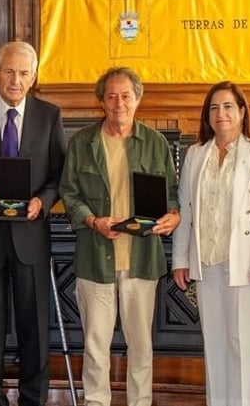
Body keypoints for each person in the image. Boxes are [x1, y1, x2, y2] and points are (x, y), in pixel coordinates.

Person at [58, 66, 180, 406]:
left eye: (126, 96)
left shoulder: (155, 143)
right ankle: (96, 401)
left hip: (141, 260)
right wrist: (93, 220)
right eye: (111, 96)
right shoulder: (83, 142)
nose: (119, 103)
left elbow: (172, 194)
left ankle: (140, 401)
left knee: (140, 345)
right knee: (95, 344)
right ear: (101, 101)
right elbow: (69, 193)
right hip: (95, 258)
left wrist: (174, 215)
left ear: (138, 99)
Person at [0, 41, 65, 406]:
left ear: (33, 77)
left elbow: (59, 174)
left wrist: (43, 201)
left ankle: (33, 397)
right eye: (9, 71)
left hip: (30, 235)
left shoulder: (49, 115)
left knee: (34, 325)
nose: (15, 80)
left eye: (23, 73)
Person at [171, 81, 250, 406]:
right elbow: (185, 208)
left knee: (242, 344)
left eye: (228, 106)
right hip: (206, 261)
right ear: (207, 115)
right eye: (214, 107)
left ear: (242, 111)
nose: (221, 113)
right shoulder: (196, 154)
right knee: (215, 344)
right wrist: (181, 259)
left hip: (245, 264)